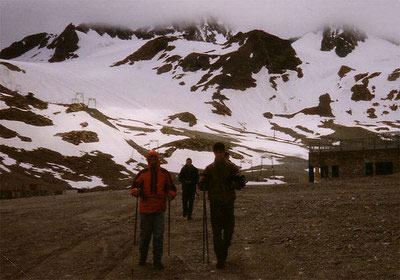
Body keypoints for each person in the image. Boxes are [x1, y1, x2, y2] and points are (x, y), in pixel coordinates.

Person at [131, 150, 177, 270]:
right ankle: (143, 257)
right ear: (147, 160)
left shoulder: (164, 173)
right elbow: (134, 186)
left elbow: (171, 188)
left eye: (153, 159)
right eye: (149, 159)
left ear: (157, 160)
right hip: (145, 210)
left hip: (159, 210)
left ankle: (157, 260)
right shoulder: (143, 173)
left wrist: (171, 194)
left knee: (158, 236)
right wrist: (136, 192)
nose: (151, 161)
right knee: (145, 236)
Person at [199, 142, 241, 269]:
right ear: (214, 153)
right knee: (217, 233)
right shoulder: (209, 169)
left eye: (220, 152)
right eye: (216, 152)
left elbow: (240, 183)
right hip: (215, 204)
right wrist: (202, 183)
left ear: (224, 152)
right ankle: (220, 258)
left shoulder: (232, 167)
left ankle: (223, 252)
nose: (218, 154)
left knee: (229, 231)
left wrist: (236, 182)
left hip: (228, 203)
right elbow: (201, 187)